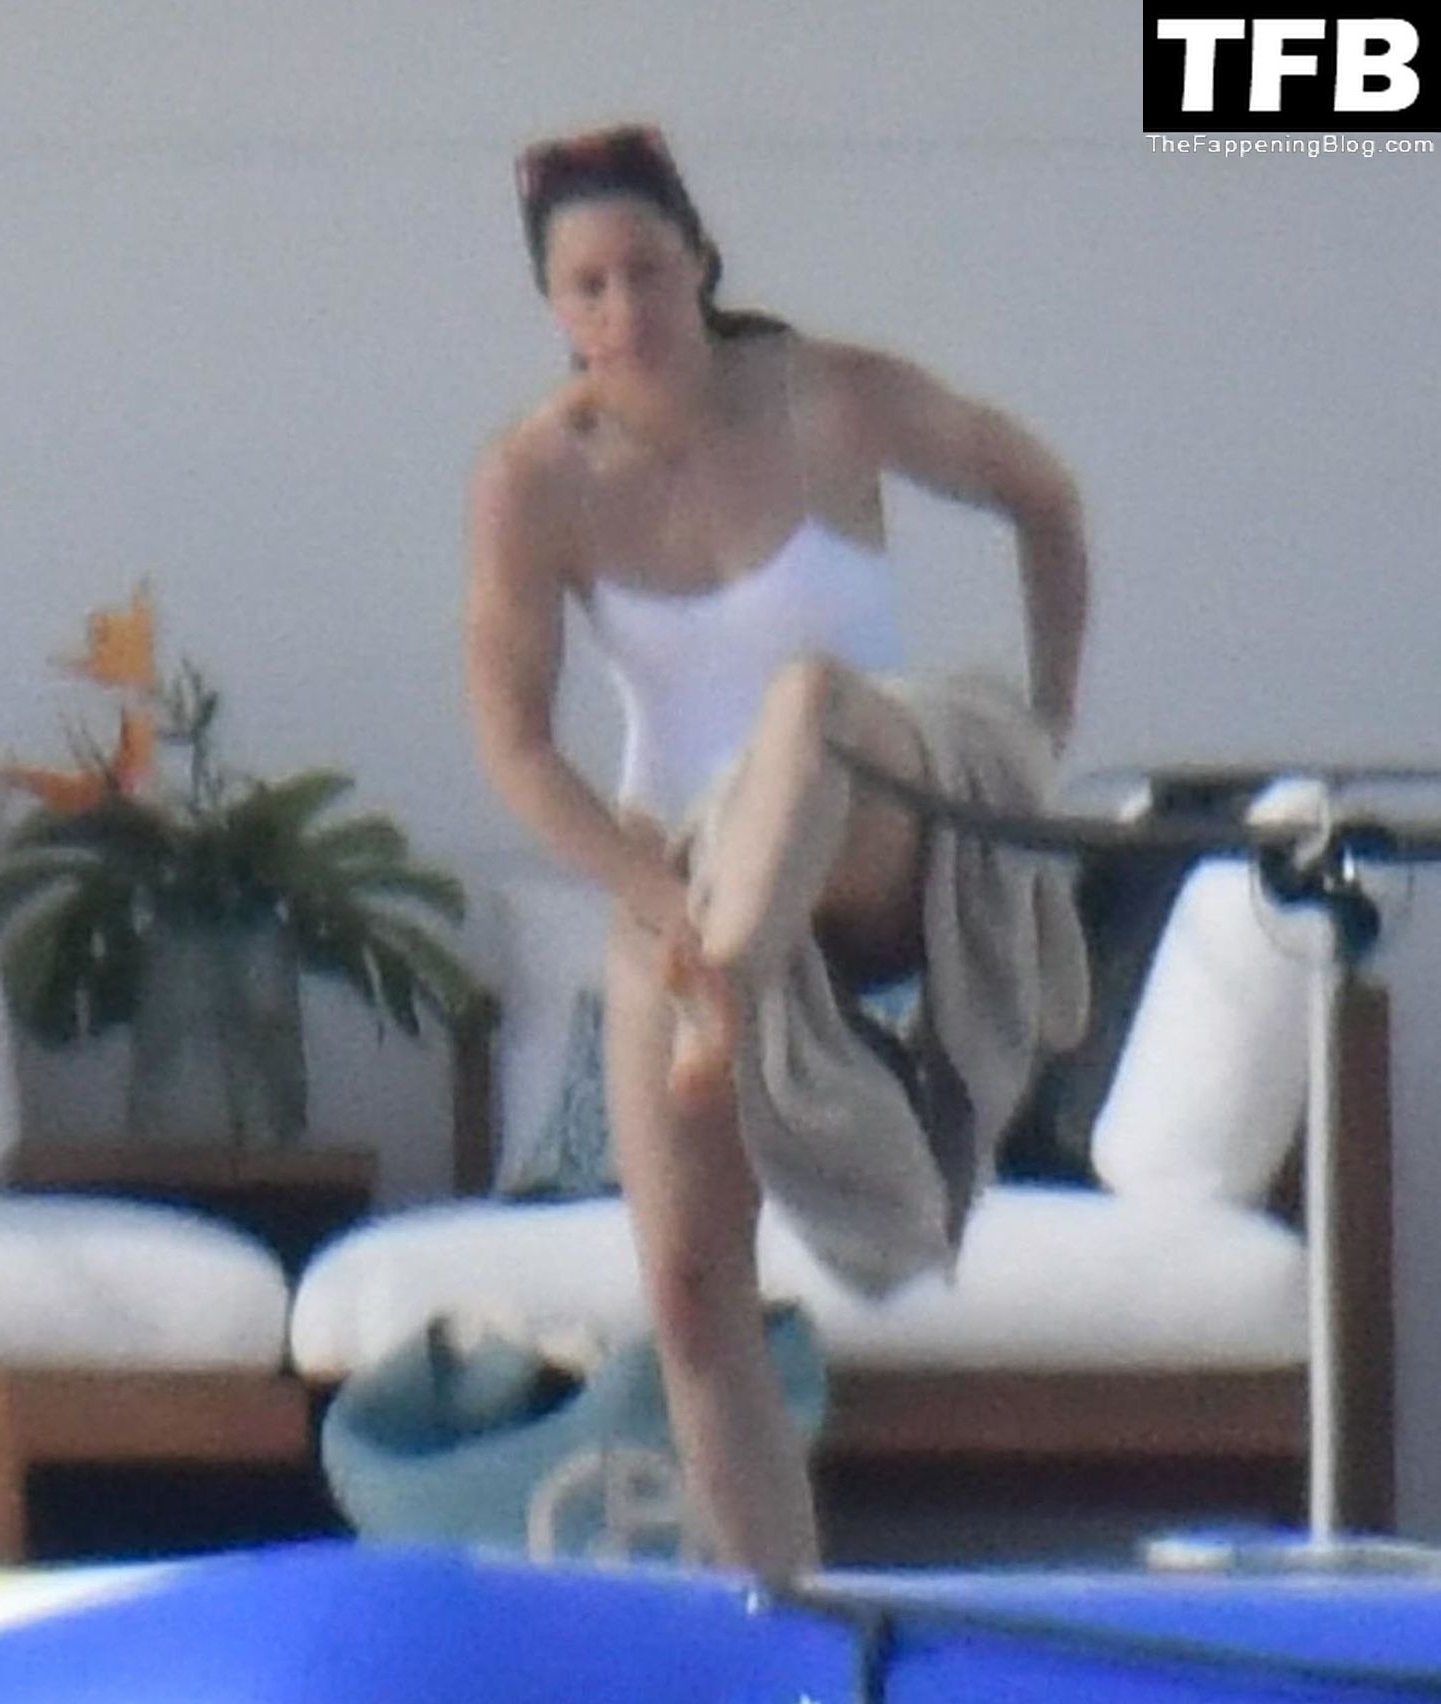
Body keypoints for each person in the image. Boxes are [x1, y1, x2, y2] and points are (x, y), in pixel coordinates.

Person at [465, 122, 1088, 1579]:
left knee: (805, 702)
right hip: (682, 868)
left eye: (647, 271)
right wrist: (650, 896)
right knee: (690, 1297)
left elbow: (1043, 497)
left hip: (873, 811)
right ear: (557, 309)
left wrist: (1044, 728)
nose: (626, 308)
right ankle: (775, 1616)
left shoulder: (829, 395)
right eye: (590, 286)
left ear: (701, 263)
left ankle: (725, 983)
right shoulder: (532, 478)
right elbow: (517, 745)